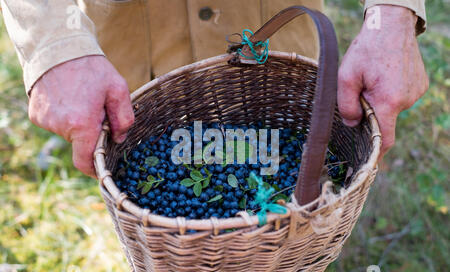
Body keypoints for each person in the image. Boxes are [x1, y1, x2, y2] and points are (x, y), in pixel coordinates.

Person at [1, 0, 428, 178]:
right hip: (130, 54)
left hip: (274, 40)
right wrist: (56, 44)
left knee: (288, 199)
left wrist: (393, 15)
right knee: (156, 202)